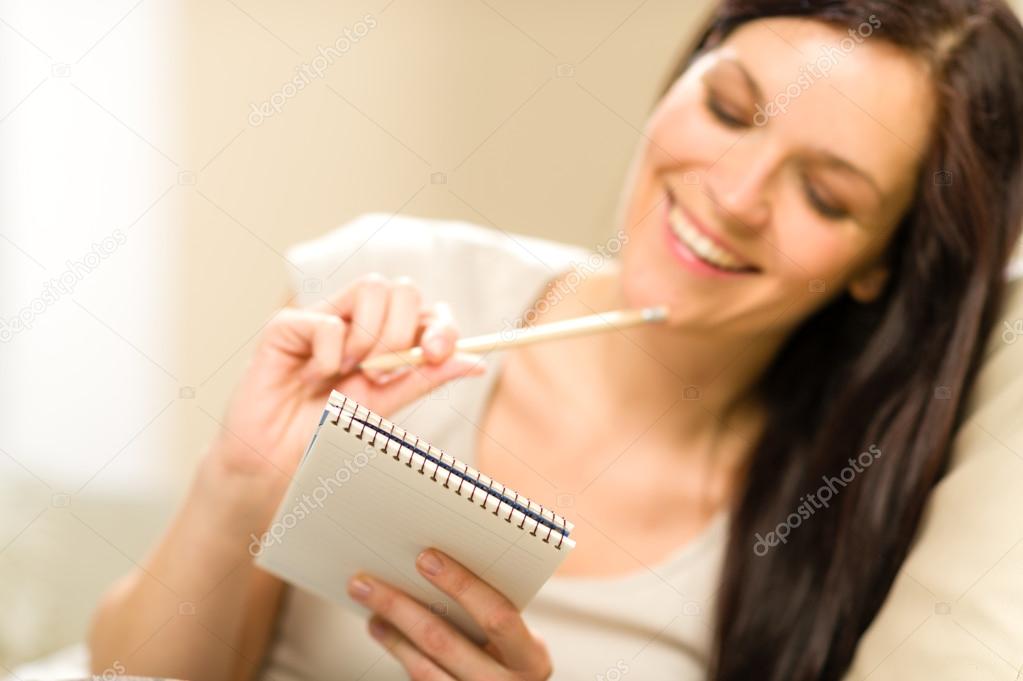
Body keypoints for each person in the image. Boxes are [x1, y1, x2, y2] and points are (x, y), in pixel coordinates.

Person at [87, 1, 1023, 679]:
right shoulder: (387, 291)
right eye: (729, 110)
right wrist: (239, 483)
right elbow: (128, 674)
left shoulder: (833, 519)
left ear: (882, 264)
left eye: (824, 195)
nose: (732, 196)